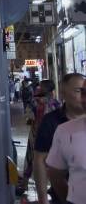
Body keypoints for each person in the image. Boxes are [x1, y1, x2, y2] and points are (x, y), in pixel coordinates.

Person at [34, 73, 85, 204]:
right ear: (63, 93)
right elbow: (40, 160)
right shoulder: (53, 123)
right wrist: (43, 199)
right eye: (78, 91)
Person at [23, 79, 61, 190]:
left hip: (36, 134)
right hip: (53, 137)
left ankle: (25, 183)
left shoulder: (35, 102)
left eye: (40, 87)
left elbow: (28, 118)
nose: (38, 88)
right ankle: (53, 186)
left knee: (31, 158)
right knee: (52, 161)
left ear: (43, 89)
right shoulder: (56, 103)